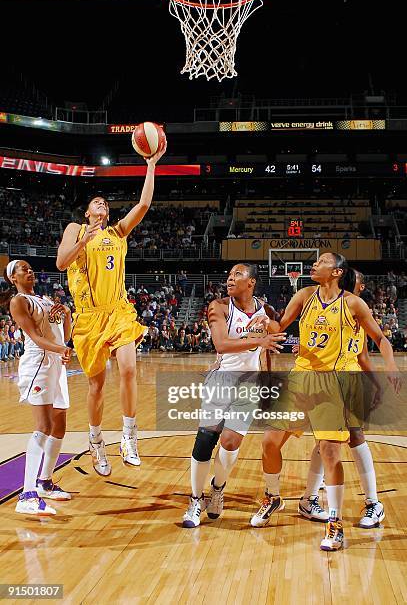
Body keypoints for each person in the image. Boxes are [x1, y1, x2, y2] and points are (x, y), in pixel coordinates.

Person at [250, 253, 400, 552]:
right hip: (302, 377)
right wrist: (266, 321)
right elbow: (280, 325)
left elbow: (380, 340)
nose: (314, 264)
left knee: (331, 451)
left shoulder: (353, 304)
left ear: (337, 272)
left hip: (335, 381)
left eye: (322, 261)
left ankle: (335, 524)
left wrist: (392, 368)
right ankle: (274, 496)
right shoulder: (304, 295)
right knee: (269, 442)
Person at [56, 142, 166, 476]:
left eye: (104, 202)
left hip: (118, 310)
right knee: (96, 385)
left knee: (130, 369)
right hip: (89, 317)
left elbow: (144, 203)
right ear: (87, 212)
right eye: (95, 202)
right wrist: (84, 239)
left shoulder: (118, 232)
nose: (101, 203)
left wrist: (151, 164)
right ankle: (96, 442)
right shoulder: (76, 230)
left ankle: (129, 437)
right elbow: (61, 263)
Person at [182, 263, 286, 528]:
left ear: (251, 282)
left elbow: (272, 343)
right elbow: (221, 345)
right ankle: (195, 499)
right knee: (205, 440)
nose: (230, 278)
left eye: (237, 275)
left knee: (230, 443)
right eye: (229, 275)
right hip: (221, 379)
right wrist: (259, 340)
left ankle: (217, 488)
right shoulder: (219, 307)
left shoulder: (266, 310)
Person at [297, 270, 386, 528]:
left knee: (354, 435)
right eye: (354, 280)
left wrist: (376, 385)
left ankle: (373, 503)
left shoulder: (357, 314)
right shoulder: (332, 311)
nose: (359, 284)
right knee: (326, 440)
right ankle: (309, 498)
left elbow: (363, 357)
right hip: (325, 383)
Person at [0, 260, 72, 515]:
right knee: (43, 426)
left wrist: (67, 316)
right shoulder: (19, 301)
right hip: (38, 363)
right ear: (13, 278)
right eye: (23, 269)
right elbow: (36, 338)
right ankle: (27, 495)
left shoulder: (46, 299)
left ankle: (44, 482)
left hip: (55, 362)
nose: (29, 271)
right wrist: (60, 349)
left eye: (30, 268)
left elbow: (64, 334)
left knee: (59, 426)